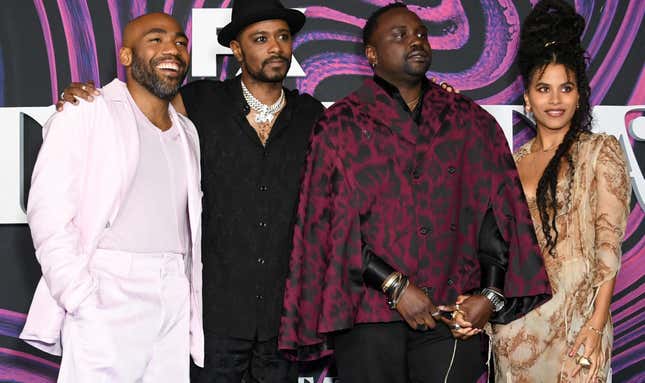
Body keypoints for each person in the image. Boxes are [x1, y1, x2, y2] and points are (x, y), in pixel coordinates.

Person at [278, 3, 552, 382]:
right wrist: (396, 286)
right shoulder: (340, 125)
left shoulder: (469, 121)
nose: (415, 41)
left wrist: (488, 296)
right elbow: (328, 228)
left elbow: (498, 217)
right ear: (371, 54)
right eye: (400, 35)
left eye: (421, 33)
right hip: (368, 316)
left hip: (450, 314)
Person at [56, 1, 325, 382]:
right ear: (236, 49)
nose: (276, 48)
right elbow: (140, 112)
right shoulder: (199, 102)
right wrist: (84, 98)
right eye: (261, 38)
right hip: (212, 315)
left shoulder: (312, 115)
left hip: (283, 319)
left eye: (283, 37)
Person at [19, 13, 203, 382]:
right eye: (155, 39)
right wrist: (80, 297)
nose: (172, 48)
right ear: (126, 56)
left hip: (174, 292)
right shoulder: (87, 111)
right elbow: (47, 214)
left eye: (180, 42)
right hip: (108, 289)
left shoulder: (188, 130)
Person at [489, 1, 631, 382]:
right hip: (516, 332)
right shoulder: (513, 162)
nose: (555, 100)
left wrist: (597, 324)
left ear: (580, 94)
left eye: (565, 88)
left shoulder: (600, 151)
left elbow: (608, 246)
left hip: (577, 323)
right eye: (543, 89)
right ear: (527, 98)